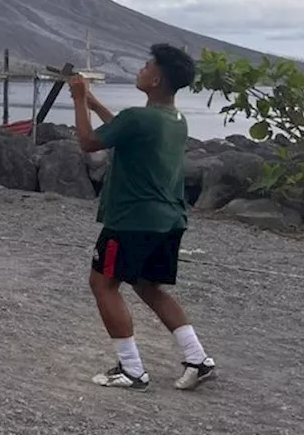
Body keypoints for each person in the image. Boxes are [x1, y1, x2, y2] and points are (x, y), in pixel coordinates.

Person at [69, 43, 215, 392]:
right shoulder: (175, 120)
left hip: (132, 219)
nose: (141, 69)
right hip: (169, 219)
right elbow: (125, 129)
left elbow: (89, 143)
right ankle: (198, 358)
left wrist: (77, 100)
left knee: (102, 283)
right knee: (149, 286)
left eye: (147, 66)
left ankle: (131, 369)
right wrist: (94, 103)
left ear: (156, 79)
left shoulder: (139, 117)